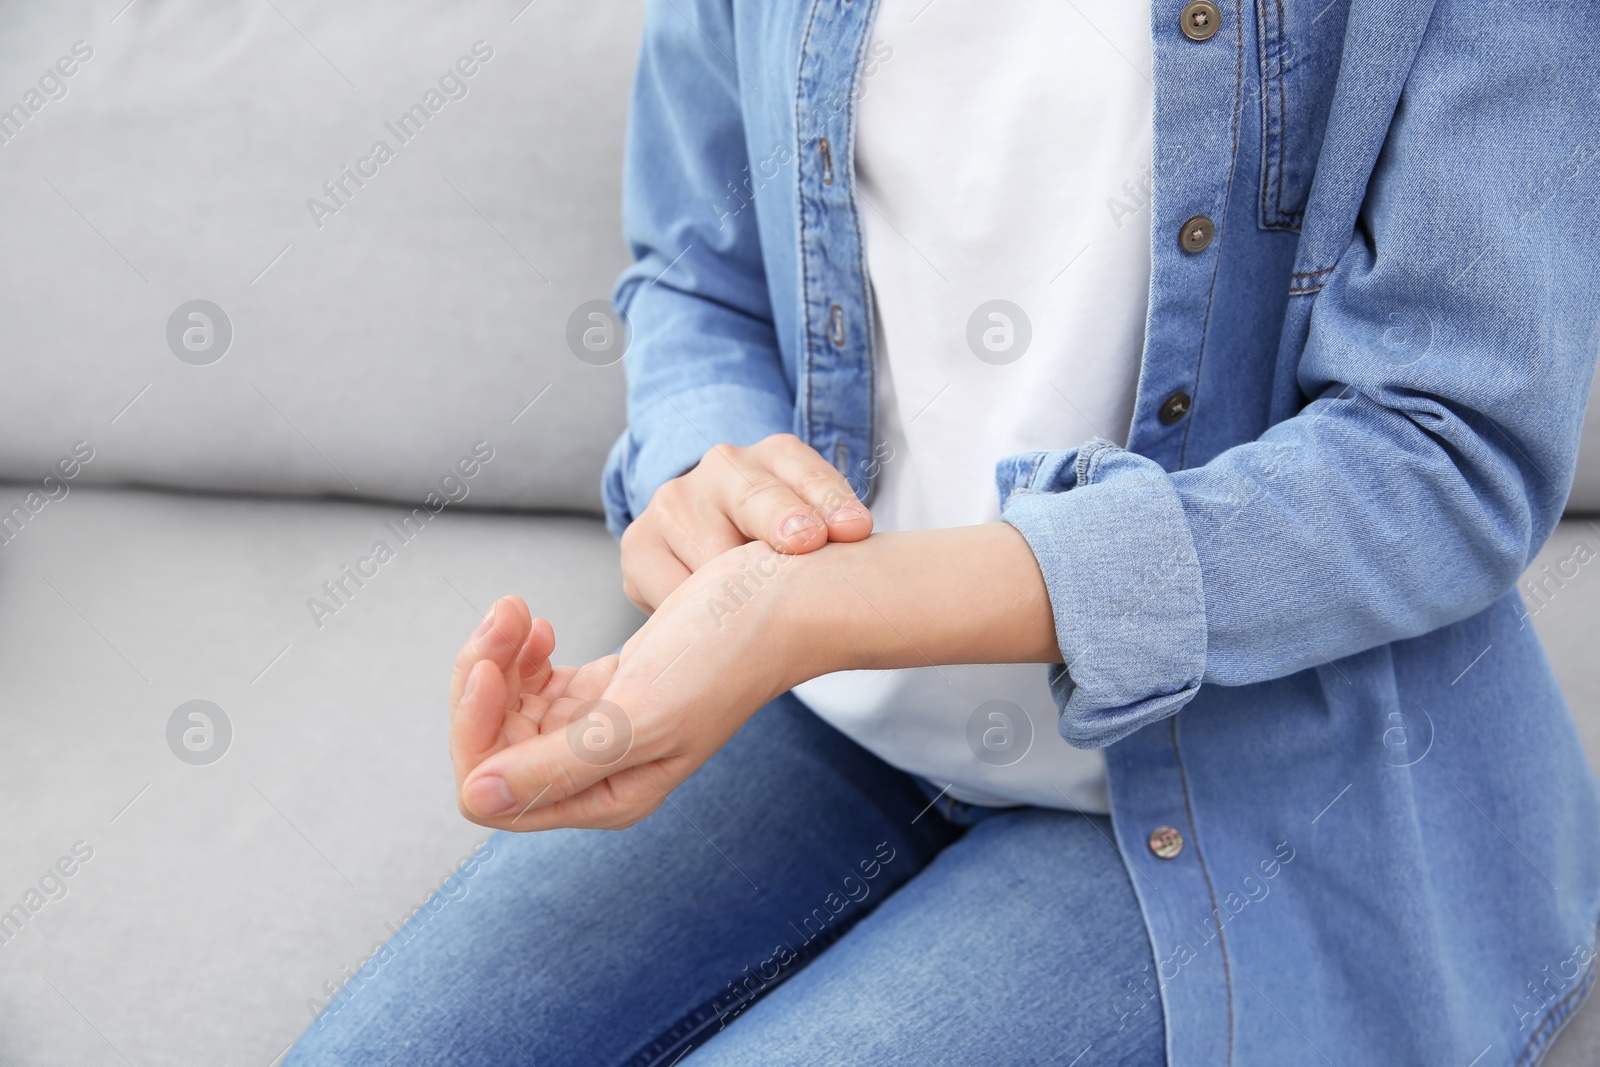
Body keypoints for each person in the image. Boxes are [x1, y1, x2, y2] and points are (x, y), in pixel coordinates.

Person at [288, 0, 1600, 1063]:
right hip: (818, 707)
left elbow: (1446, 451)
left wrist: (804, 610)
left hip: (1245, 781)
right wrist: (709, 488)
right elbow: (699, 265)